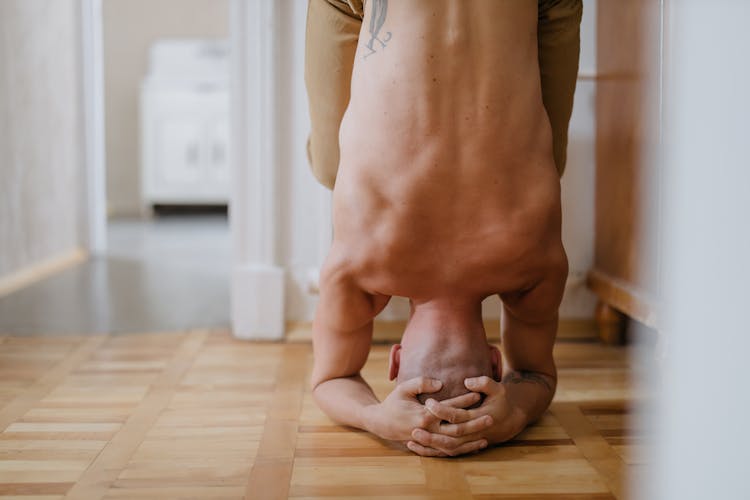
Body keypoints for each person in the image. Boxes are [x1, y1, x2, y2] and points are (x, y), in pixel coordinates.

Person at [306, 0, 582, 457]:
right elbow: (330, 380)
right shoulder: (358, 268)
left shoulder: (536, 264)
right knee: (332, 169)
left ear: (495, 360)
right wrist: (374, 415)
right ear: (395, 360)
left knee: (547, 163)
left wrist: (513, 410)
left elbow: (537, 377)